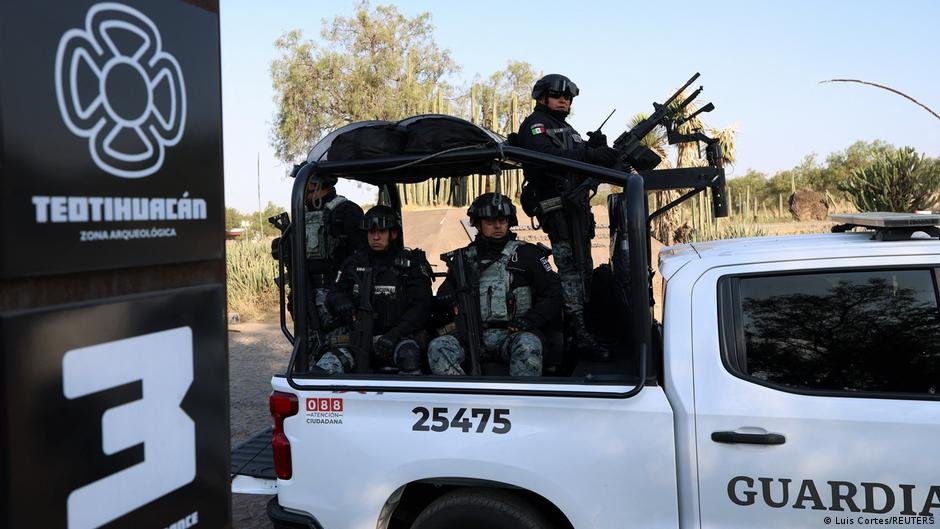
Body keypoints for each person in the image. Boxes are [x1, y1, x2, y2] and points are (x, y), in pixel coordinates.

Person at [515, 73, 619, 361]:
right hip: (557, 209)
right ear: (542, 98)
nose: (564, 100)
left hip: (577, 211)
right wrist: (589, 153)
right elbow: (545, 155)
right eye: (558, 96)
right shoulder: (536, 125)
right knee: (571, 271)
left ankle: (583, 328)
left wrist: (598, 149)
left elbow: (578, 157)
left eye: (568, 97)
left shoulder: (567, 128)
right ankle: (577, 331)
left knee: (584, 269)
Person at [428, 193, 563, 377]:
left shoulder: (527, 254)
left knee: (528, 345)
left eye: (502, 220)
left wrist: (531, 320)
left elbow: (553, 292)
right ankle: (462, 401)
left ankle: (520, 402)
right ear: (478, 224)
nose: (498, 226)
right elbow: (447, 289)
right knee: (439, 347)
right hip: (471, 336)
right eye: (491, 221)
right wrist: (447, 294)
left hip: (512, 335)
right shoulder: (464, 258)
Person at [315, 205, 433, 374]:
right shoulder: (353, 263)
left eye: (381, 232)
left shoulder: (410, 265)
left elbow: (421, 307)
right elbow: (334, 292)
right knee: (322, 370)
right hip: (358, 339)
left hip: (398, 339)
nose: (375, 237)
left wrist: (395, 334)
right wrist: (340, 301)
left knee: (409, 356)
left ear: (393, 234)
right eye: (371, 232)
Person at [301, 173, 365, 335]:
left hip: (338, 296)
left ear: (316, 185)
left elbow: (362, 256)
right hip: (306, 293)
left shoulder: (347, 211)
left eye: (306, 186)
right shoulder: (303, 214)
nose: (303, 192)